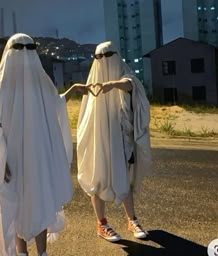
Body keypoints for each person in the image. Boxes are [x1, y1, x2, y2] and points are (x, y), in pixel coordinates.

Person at [0, 33, 87, 256]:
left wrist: (72, 90)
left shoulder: (41, 82)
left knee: (40, 200)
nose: (25, 54)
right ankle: (21, 252)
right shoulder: (3, 85)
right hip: (12, 158)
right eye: (20, 48)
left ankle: (41, 252)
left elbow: (55, 102)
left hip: (38, 156)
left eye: (30, 48)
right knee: (17, 205)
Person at [77, 41, 151, 242]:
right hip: (99, 139)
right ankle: (102, 223)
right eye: (99, 57)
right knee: (98, 177)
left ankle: (132, 219)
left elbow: (131, 85)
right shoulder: (93, 81)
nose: (104, 61)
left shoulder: (125, 77)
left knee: (124, 178)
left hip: (122, 139)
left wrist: (112, 85)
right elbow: (87, 116)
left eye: (108, 55)